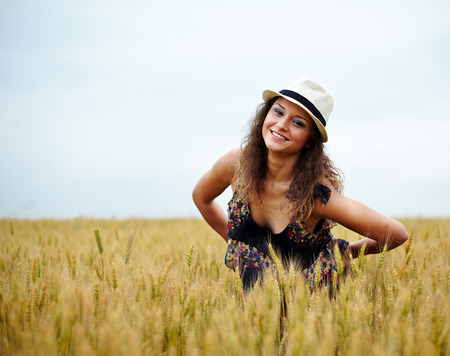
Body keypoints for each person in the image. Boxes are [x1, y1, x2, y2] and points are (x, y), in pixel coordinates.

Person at [192, 76, 409, 292]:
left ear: (309, 141)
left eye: (298, 123)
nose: (282, 125)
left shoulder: (315, 196)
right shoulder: (237, 164)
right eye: (278, 111)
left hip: (313, 308)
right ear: (265, 113)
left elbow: (397, 234)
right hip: (257, 309)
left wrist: (346, 252)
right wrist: (236, 244)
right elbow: (201, 197)